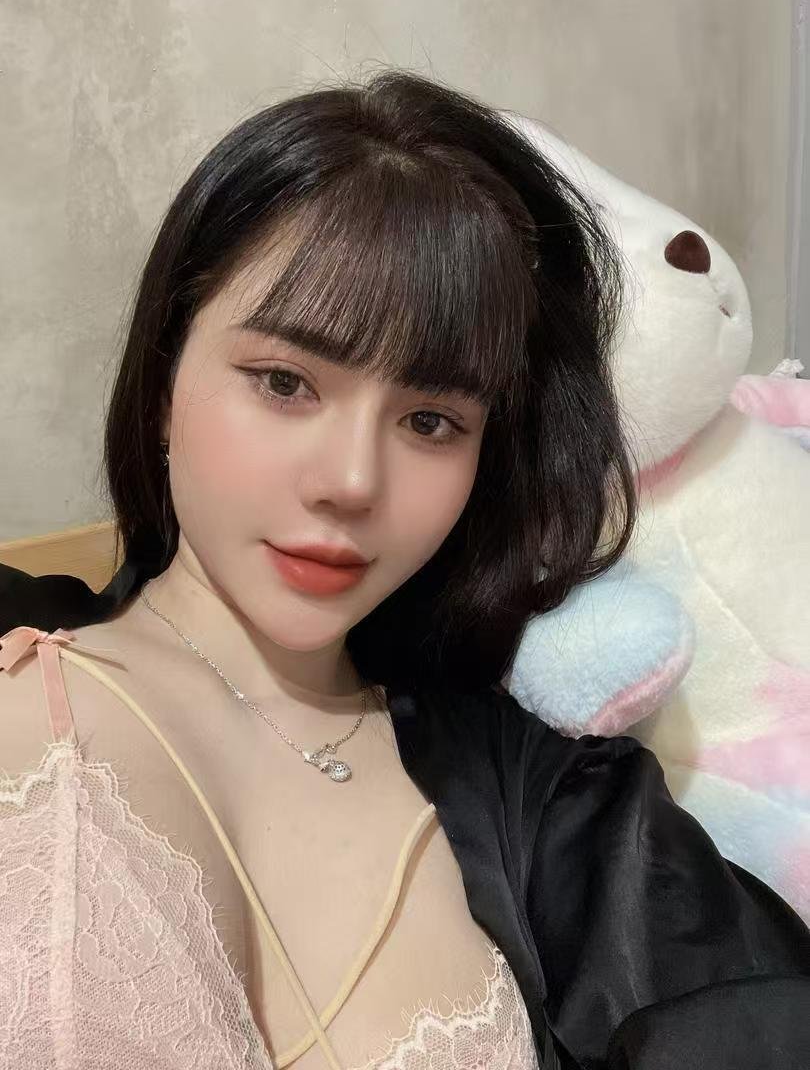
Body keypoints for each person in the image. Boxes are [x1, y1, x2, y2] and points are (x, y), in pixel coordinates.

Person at [0, 69, 807, 1070]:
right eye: (285, 382)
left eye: (431, 421)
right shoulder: (25, 654)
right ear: (165, 378)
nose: (351, 482)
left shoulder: (555, 810)